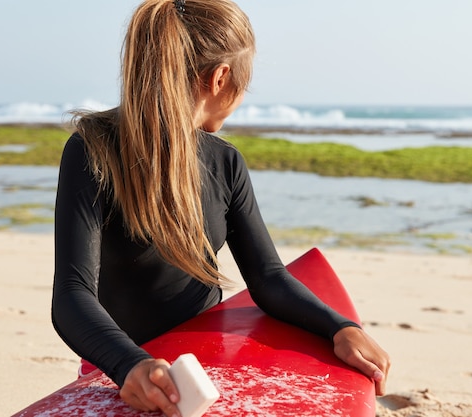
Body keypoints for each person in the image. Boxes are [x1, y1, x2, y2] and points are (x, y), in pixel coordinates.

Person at [51, 0, 390, 416]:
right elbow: (72, 294)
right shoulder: (93, 148)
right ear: (221, 77)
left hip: (204, 361)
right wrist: (129, 364)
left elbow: (267, 278)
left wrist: (338, 327)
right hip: (116, 368)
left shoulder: (225, 162)